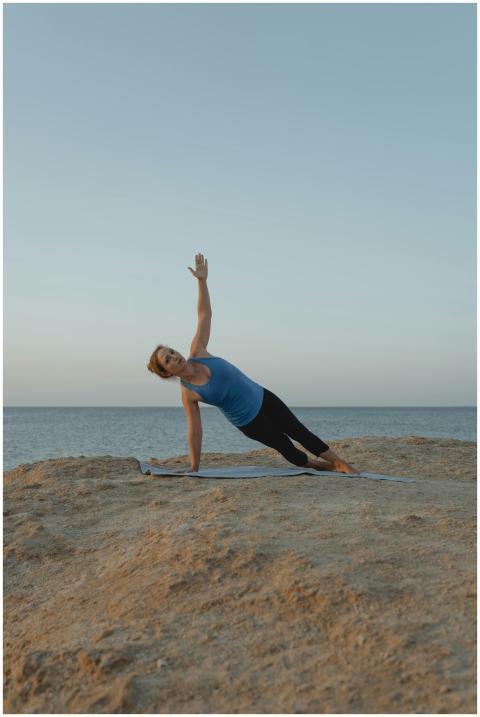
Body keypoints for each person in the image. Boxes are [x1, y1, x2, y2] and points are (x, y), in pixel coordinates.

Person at [147, 253, 360, 475]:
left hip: (263, 397)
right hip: (249, 422)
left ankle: (341, 464)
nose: (174, 356)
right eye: (168, 360)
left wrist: (202, 282)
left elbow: (204, 315)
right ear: (167, 373)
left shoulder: (198, 351)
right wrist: (194, 466)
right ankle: (315, 465)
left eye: (171, 351)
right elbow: (195, 431)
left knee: (298, 430)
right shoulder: (188, 393)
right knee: (286, 448)